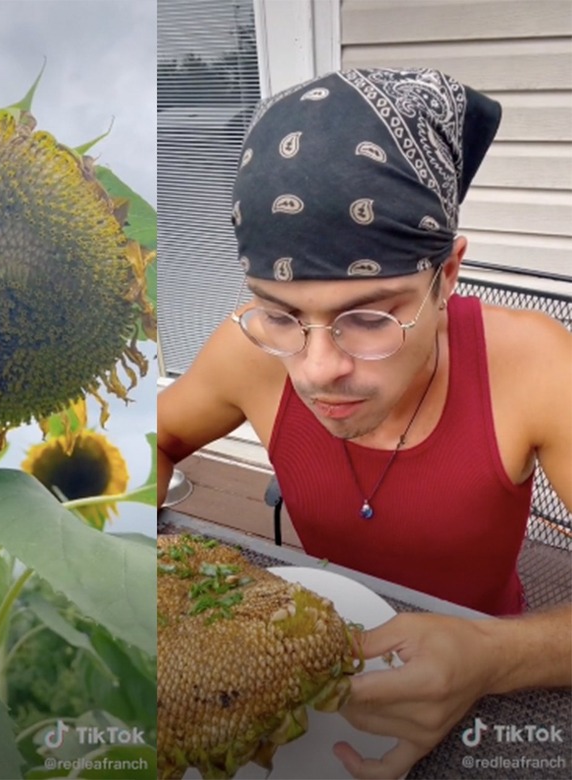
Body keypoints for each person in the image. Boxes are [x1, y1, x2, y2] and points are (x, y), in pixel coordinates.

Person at [157, 67, 572, 779]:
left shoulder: (536, 366)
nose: (317, 370)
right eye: (283, 314)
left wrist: (491, 657)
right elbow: (148, 443)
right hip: (301, 669)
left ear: (447, 277)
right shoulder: (246, 349)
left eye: (370, 316)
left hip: (486, 666)